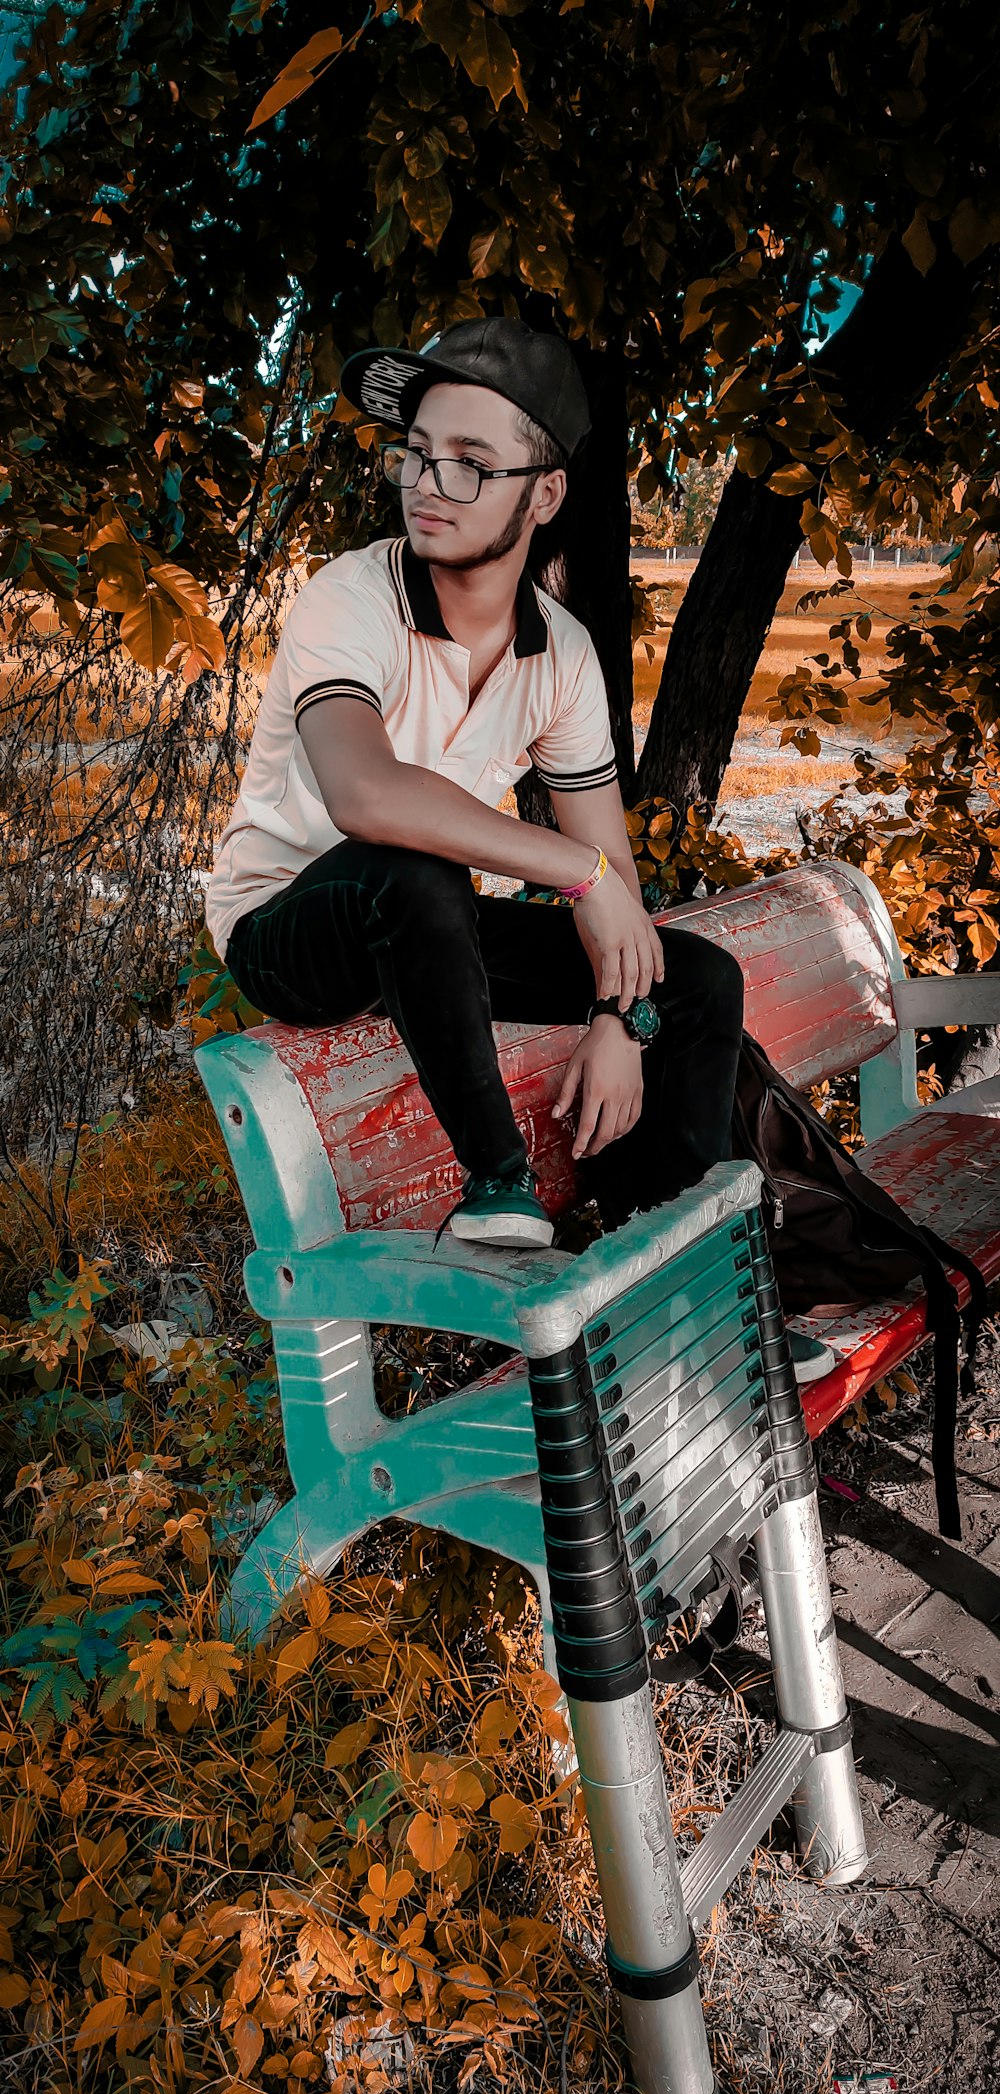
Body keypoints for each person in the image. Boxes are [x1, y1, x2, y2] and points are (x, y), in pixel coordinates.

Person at [205, 317, 834, 1383]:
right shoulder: (349, 597)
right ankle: (496, 1189)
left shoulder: (564, 653)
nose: (427, 483)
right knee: (415, 864)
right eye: (417, 453)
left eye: (470, 463)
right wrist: (578, 876)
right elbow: (367, 795)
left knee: (695, 979)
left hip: (430, 941)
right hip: (294, 928)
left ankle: (684, 1302)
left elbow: (613, 877)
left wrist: (616, 1015)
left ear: (543, 494)